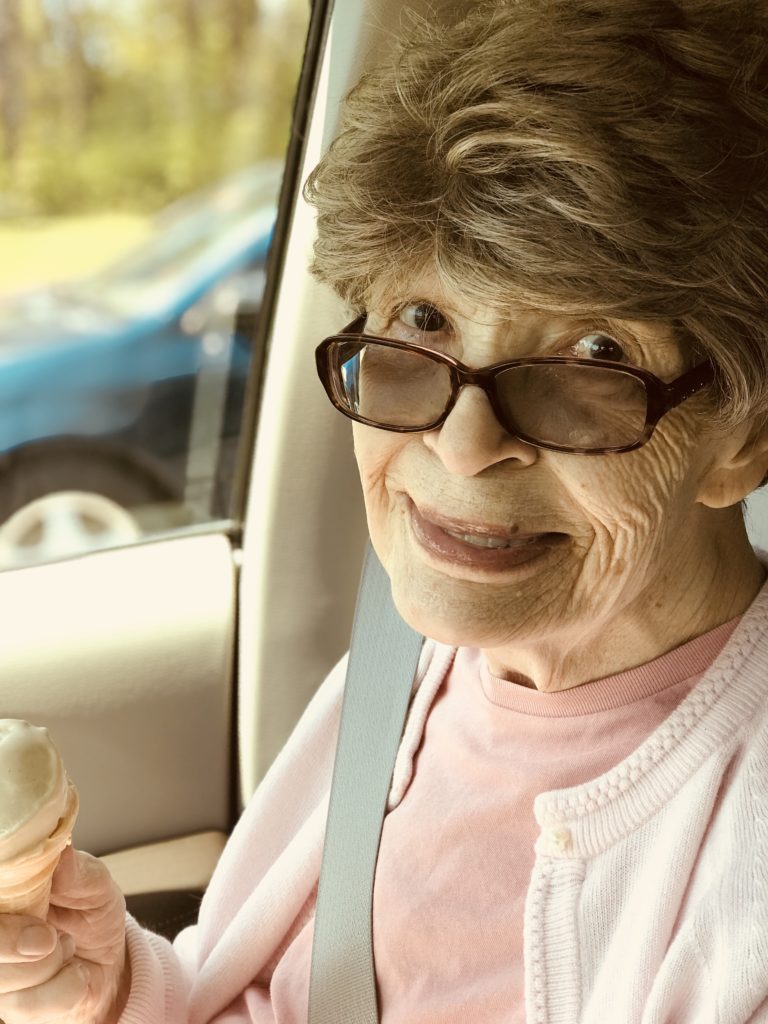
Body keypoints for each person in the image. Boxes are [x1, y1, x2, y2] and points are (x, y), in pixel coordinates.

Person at [3, 0, 768, 1020]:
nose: (462, 442)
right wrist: (120, 988)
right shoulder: (406, 655)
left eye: (596, 355)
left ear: (745, 438)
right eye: (422, 319)